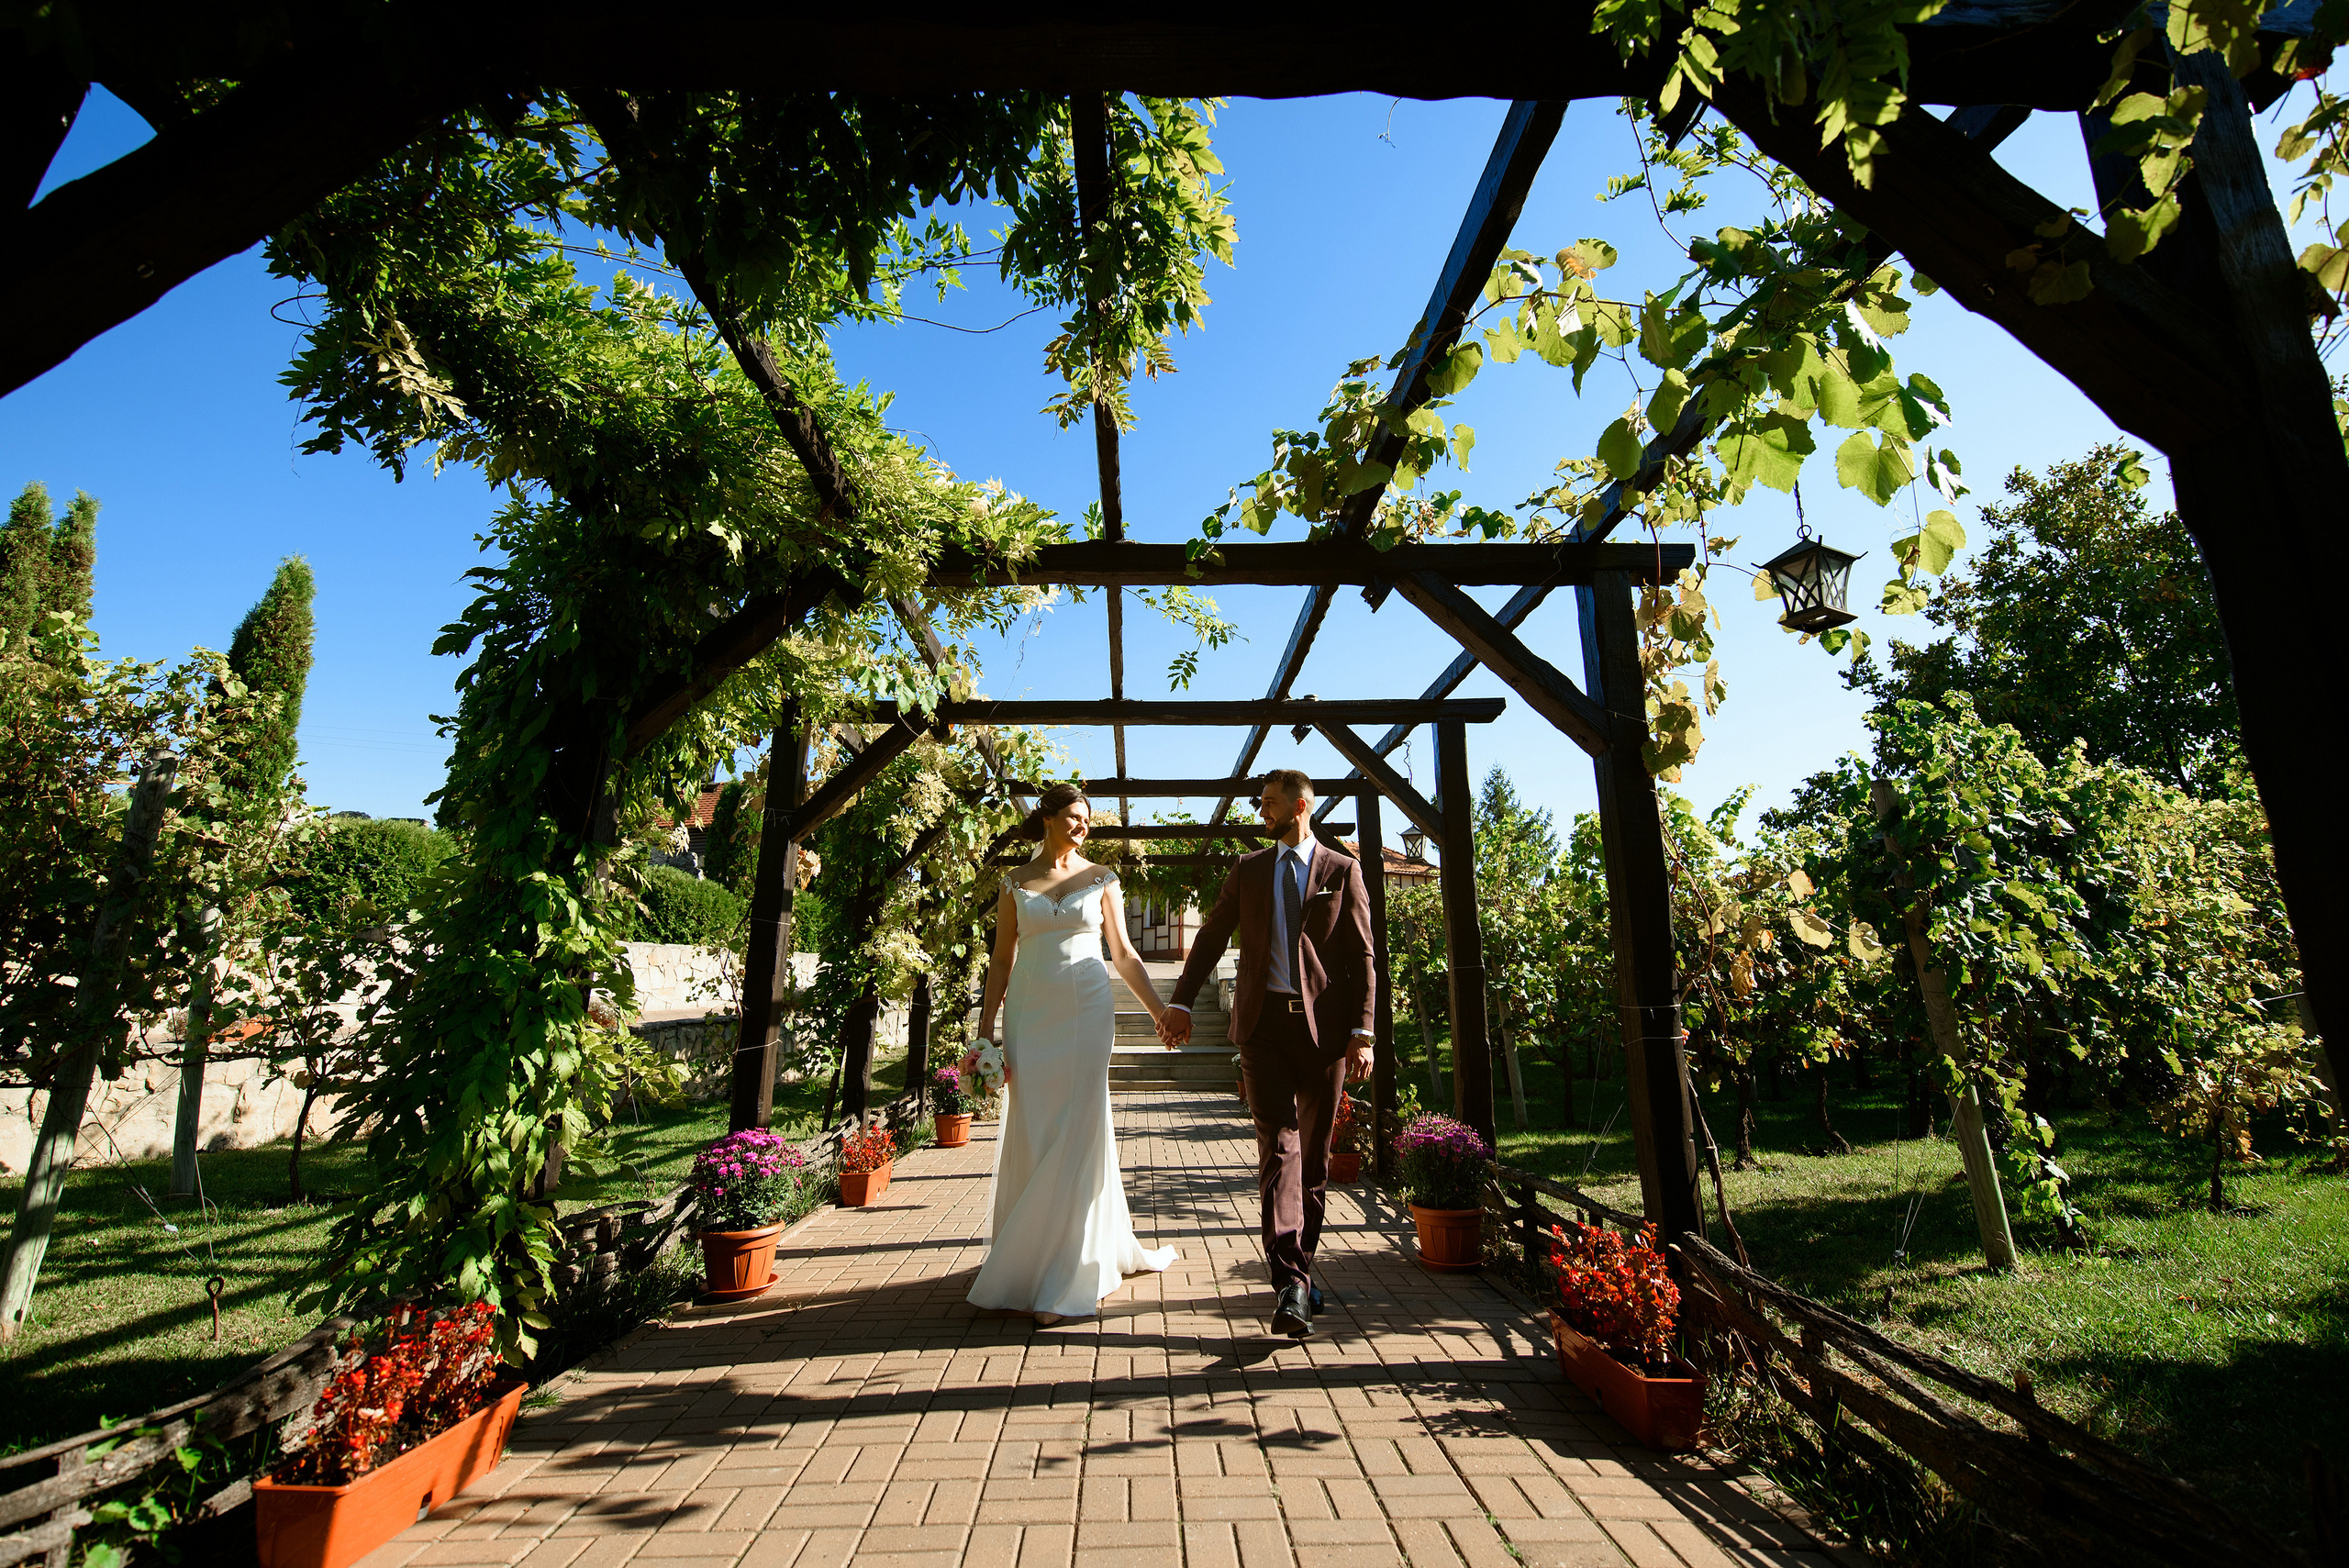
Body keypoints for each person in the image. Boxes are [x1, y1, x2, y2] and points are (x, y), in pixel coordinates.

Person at [1159, 769, 1375, 1337]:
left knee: (1317, 1161)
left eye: (1271, 802)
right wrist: (1180, 1003)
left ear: (1301, 805)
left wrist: (1364, 1032)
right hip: (1261, 1029)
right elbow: (1209, 935)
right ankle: (1291, 1284)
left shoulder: (1341, 869)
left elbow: (1361, 958)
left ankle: (1298, 1278)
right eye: (1261, 801)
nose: (1262, 809)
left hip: (1323, 1035)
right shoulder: (1249, 869)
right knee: (1279, 1146)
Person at [962, 783, 1181, 1326]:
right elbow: (1001, 958)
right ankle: (1030, 1259)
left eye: (1086, 819)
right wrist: (986, 1025)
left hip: (1087, 1008)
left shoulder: (1103, 877)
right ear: (1048, 819)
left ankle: (1069, 1274)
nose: (1082, 825)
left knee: (1079, 1124)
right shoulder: (1015, 881)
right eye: (1073, 817)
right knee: (1036, 1126)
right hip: (1029, 1015)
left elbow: (1125, 955)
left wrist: (1159, 1010)